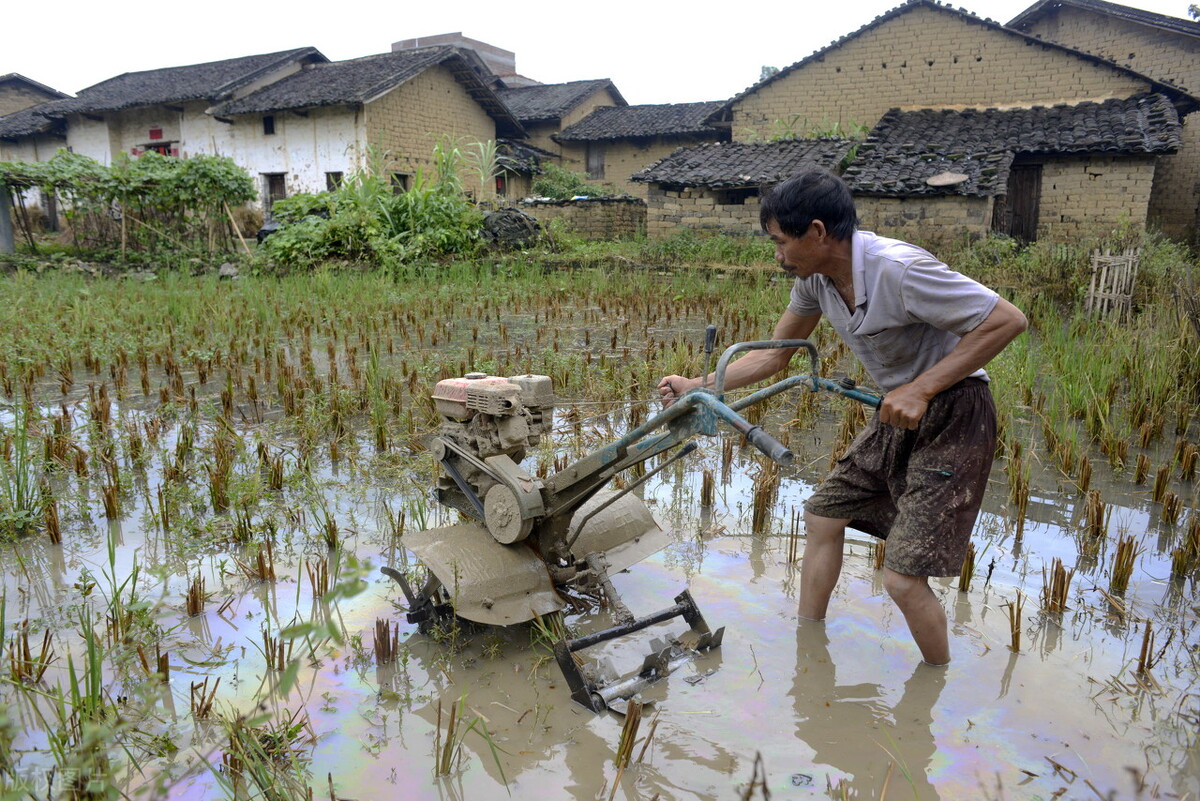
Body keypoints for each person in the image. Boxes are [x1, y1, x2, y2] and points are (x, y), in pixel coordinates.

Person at [658, 168, 1027, 666]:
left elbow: (1007, 320)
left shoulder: (898, 269)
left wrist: (923, 388)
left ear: (816, 232)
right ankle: (807, 646)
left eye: (780, 241)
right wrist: (699, 386)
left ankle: (933, 685)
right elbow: (774, 355)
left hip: (955, 410)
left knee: (901, 578)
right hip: (897, 408)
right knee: (822, 515)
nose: (777, 256)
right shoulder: (815, 280)